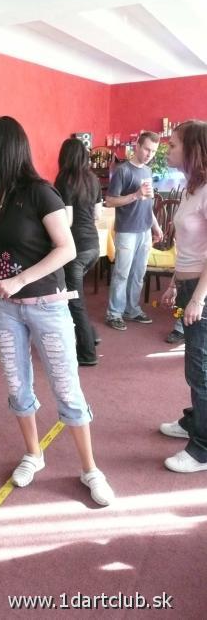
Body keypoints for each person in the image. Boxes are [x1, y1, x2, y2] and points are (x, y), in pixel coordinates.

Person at [0, 116, 114, 506]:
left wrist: (19, 280)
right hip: (3, 310)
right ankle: (34, 454)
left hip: (47, 306)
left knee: (67, 388)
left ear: (2, 150)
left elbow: (67, 249)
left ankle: (90, 469)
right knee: (17, 386)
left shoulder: (41, 194)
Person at [159, 120, 207, 473]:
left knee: (200, 370)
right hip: (188, 285)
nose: (167, 149)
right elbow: (188, 246)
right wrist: (176, 283)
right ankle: (194, 422)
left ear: (193, 150)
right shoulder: (192, 188)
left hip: (202, 291)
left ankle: (203, 449)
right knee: (195, 363)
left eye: (173, 144)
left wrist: (198, 299)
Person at [105, 132, 163, 330]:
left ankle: (132, 309)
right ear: (137, 146)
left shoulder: (148, 170)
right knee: (122, 273)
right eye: (147, 149)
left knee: (138, 273)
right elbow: (109, 201)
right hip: (127, 230)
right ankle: (114, 313)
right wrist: (135, 195)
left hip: (144, 230)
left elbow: (147, 203)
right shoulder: (122, 171)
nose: (149, 154)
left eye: (153, 151)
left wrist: (156, 226)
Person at [55, 138, 102, 366]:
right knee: (76, 297)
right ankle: (90, 335)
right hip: (93, 247)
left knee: (75, 301)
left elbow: (68, 220)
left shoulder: (64, 180)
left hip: (75, 250)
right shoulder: (93, 179)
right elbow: (97, 215)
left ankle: (87, 354)